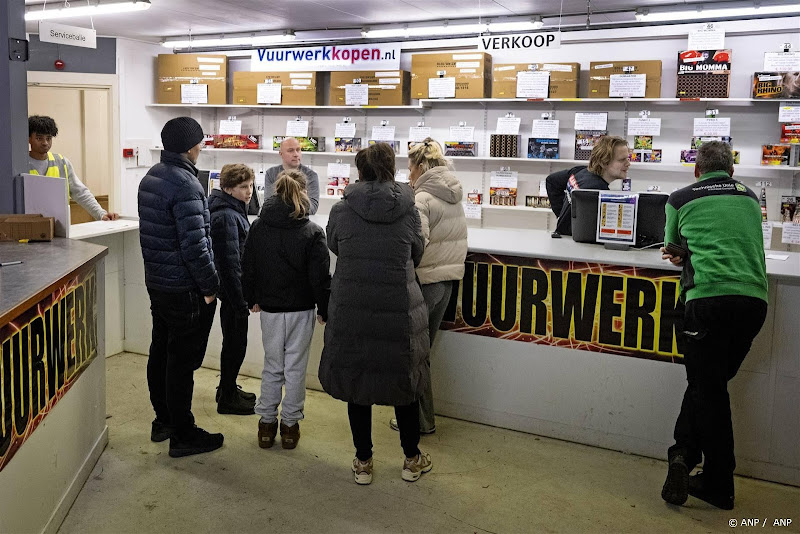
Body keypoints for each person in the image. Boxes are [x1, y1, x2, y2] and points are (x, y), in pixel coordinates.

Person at [660, 141, 768, 510]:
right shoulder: (751, 197)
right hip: (754, 303)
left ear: (696, 169)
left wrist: (682, 253)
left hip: (707, 301)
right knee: (710, 386)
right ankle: (683, 457)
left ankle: (719, 481)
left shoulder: (679, 197)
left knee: (710, 392)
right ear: (732, 171)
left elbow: (672, 246)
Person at [319, 142, 431, 485]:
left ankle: (364, 461)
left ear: (359, 169)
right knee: (404, 381)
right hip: (397, 307)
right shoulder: (410, 211)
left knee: (358, 382)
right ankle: (411, 459)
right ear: (391, 168)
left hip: (352, 305)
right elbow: (417, 253)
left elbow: (334, 244)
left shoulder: (341, 210)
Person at [138, 116, 223, 458]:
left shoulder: (152, 176)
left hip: (158, 283)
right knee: (181, 362)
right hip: (184, 288)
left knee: (160, 351)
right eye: (200, 143)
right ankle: (183, 433)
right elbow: (195, 245)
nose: (201, 148)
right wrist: (210, 285)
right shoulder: (187, 185)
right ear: (190, 147)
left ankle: (164, 420)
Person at [242, 169, 330, 450]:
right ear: (303, 193)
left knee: (272, 366)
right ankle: (290, 426)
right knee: (295, 368)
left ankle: (266, 424)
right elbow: (320, 276)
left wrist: (250, 297)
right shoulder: (312, 231)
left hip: (269, 308)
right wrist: (324, 308)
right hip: (301, 309)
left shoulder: (258, 226)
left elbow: (249, 266)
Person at [388, 138, 467, 435]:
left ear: (420, 167)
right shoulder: (452, 192)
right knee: (422, 354)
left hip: (425, 281)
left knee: (413, 355)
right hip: (446, 282)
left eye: (409, 168)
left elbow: (417, 244)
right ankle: (425, 419)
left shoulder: (422, 198)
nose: (407, 174)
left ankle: (418, 422)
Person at [208, 163, 256, 415]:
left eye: (250, 185)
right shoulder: (226, 215)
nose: (249, 192)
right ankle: (227, 397)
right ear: (227, 188)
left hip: (233, 294)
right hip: (233, 295)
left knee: (234, 343)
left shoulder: (232, 209)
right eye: (242, 187)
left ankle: (227, 388)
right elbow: (229, 264)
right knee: (235, 345)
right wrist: (240, 302)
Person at [28, 115, 119, 221]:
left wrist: (101, 214)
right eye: (39, 138)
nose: (45, 143)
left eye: (48, 138)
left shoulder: (61, 163)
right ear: (29, 138)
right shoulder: (18, 164)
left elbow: (81, 192)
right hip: (27, 231)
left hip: (58, 228)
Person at [545, 135, 630, 236]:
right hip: (577, 247)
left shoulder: (581, 171)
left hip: (567, 239)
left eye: (627, 159)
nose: (628, 164)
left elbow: (552, 181)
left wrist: (563, 218)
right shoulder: (597, 191)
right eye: (621, 160)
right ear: (604, 162)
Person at [263, 137, 320, 215]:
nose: (296, 154)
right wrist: (299, 202)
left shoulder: (311, 175)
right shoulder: (271, 173)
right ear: (281, 154)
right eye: (290, 151)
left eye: (298, 150)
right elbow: (268, 204)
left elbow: (313, 208)